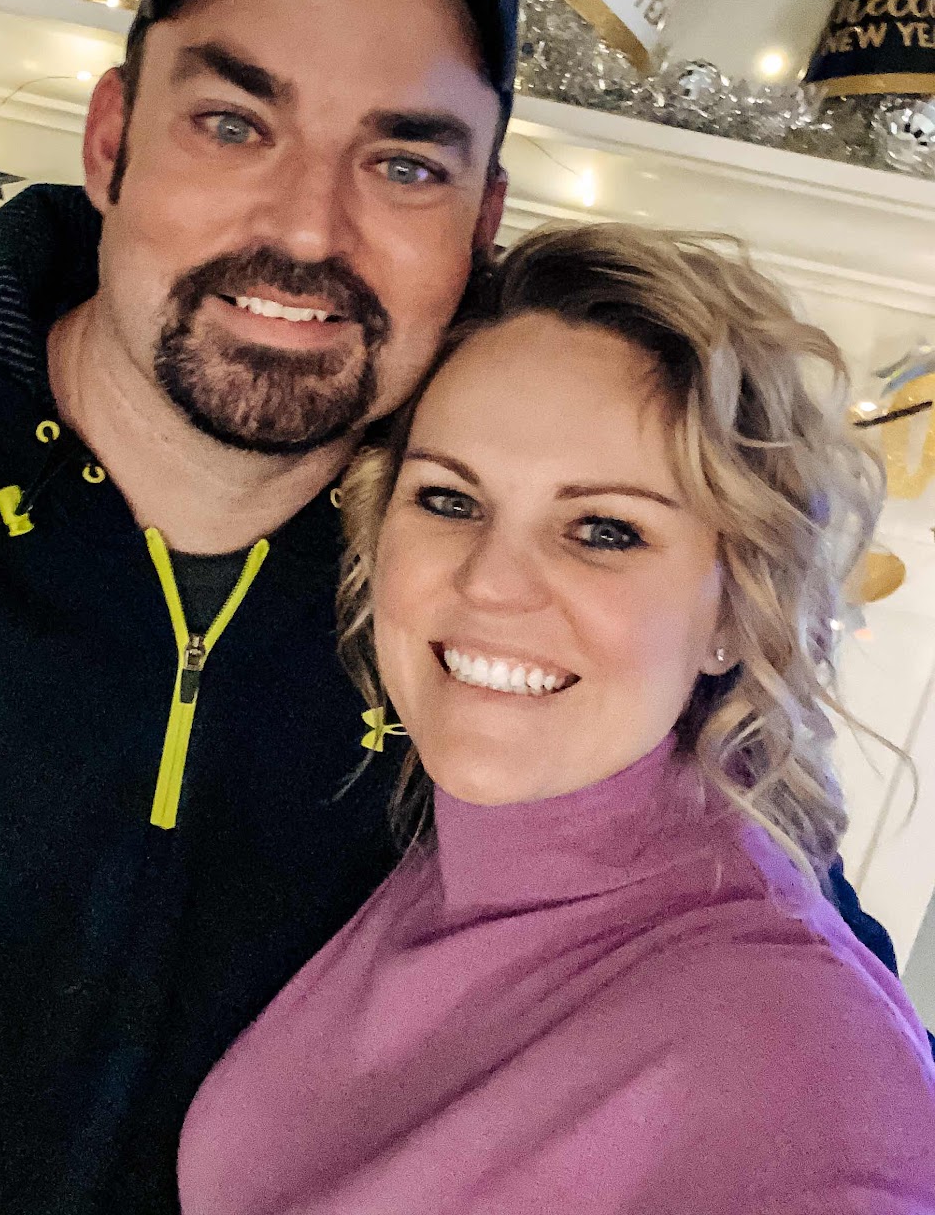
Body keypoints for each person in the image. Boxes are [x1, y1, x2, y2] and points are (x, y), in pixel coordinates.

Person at [0, 0, 900, 1213]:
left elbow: (803, 1014)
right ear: (111, 141)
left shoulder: (478, 620)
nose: (304, 228)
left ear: (481, 220)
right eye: (234, 123)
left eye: (405, 163)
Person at [178, 223, 935, 1215]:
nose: (490, 582)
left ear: (735, 612)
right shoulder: (412, 849)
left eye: (604, 529)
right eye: (449, 499)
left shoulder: (801, 1067)